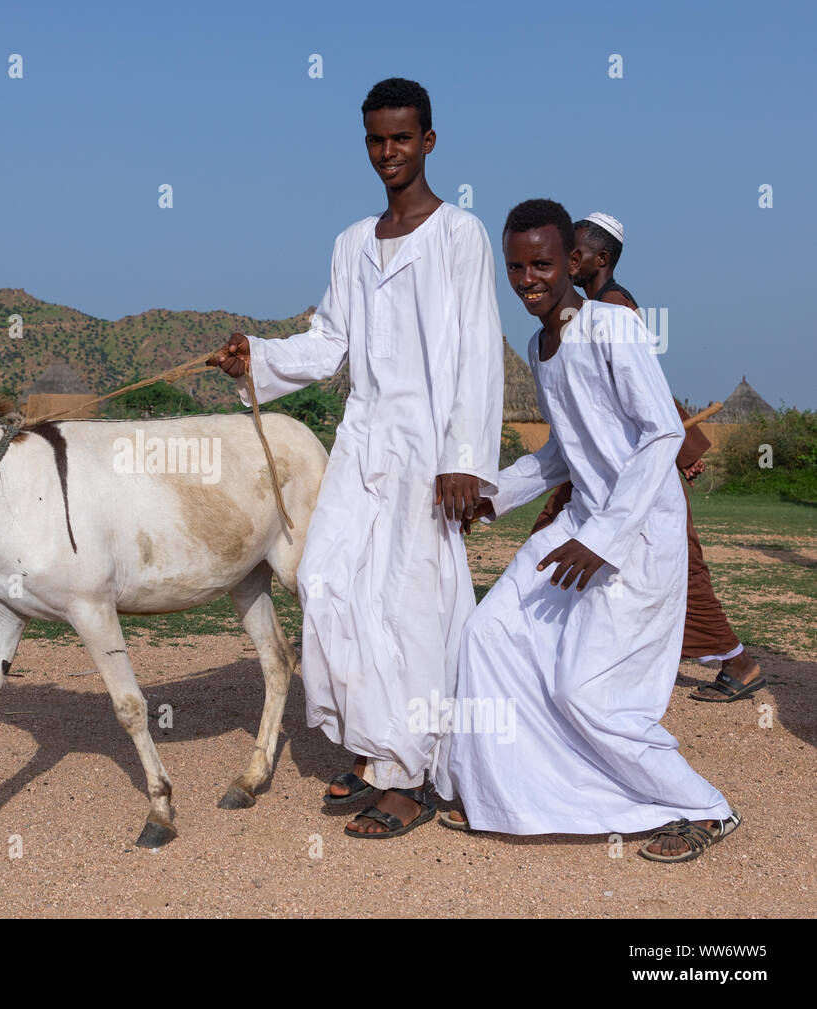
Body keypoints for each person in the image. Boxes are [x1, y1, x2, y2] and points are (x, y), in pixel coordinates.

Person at [210, 78, 502, 838]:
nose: (388, 152)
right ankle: (379, 745)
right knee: (325, 578)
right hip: (365, 437)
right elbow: (330, 342)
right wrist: (257, 358)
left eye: (401, 138)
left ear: (429, 141)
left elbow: (476, 351)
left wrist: (465, 456)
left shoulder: (459, 235)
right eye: (376, 139)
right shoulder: (350, 244)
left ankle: (411, 773)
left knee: (411, 601)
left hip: (431, 447)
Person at [443, 199, 739, 863]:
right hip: (580, 525)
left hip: (635, 536)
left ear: (572, 262)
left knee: (587, 690)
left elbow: (663, 429)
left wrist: (605, 535)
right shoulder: (539, 345)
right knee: (487, 635)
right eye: (516, 267)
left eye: (541, 264)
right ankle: (508, 793)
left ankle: (705, 806)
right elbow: (561, 453)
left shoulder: (612, 328)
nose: (527, 280)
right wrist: (494, 497)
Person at [530, 212, 764, 702]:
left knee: (679, 569)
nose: (568, 260)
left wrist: (680, 451)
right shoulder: (586, 311)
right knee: (557, 545)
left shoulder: (613, 307)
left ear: (600, 259)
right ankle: (562, 650)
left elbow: (646, 393)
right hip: (597, 467)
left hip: (633, 470)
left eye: (577, 252)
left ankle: (736, 663)